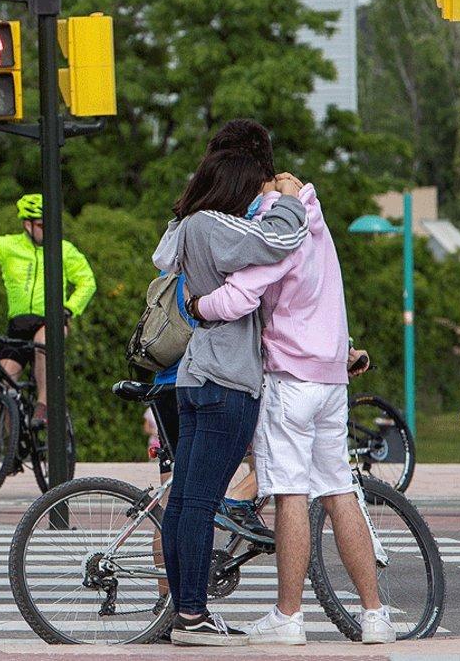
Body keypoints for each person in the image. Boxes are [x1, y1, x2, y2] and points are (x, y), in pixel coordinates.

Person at [193, 161, 395, 644]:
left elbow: (241, 297)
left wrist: (196, 306)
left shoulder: (279, 226)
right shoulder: (320, 228)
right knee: (339, 492)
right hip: (331, 380)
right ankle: (375, 615)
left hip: (291, 379)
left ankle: (288, 615)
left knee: (290, 495)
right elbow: (327, 300)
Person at [151, 119, 310, 646]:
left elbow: (161, 258)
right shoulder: (217, 226)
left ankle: (184, 611)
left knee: (183, 502)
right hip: (227, 379)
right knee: (198, 504)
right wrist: (289, 195)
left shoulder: (185, 226)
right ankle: (192, 616)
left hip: (196, 375)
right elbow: (281, 237)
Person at [0, 191, 96, 425]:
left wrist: (69, 308)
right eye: (42, 225)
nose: (48, 229)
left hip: (50, 319)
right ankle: (13, 454)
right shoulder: (10, 246)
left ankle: (44, 405)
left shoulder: (65, 250)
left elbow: (87, 281)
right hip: (19, 324)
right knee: (4, 382)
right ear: (27, 224)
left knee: (45, 342)